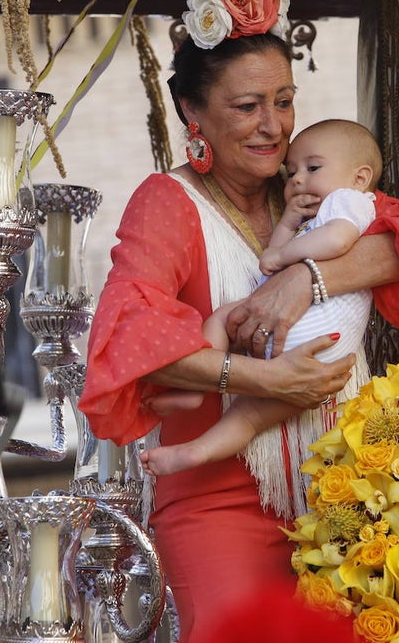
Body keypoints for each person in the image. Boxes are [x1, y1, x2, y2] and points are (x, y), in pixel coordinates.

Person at [78, 0, 399, 643]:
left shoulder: (312, 187)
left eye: (283, 101)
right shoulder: (168, 203)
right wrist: (266, 380)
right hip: (216, 496)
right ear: (193, 114)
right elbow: (129, 335)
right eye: (247, 106)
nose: (273, 126)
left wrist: (305, 281)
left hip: (353, 486)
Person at [139, 118, 383, 478]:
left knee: (223, 321)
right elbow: (272, 258)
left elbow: (335, 243)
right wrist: (287, 223)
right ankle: (194, 444)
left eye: (313, 168)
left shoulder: (352, 202)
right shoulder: (313, 215)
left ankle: (193, 408)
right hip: (314, 347)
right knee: (250, 415)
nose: (298, 179)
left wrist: (284, 256)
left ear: (360, 177)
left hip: (316, 333)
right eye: (292, 170)